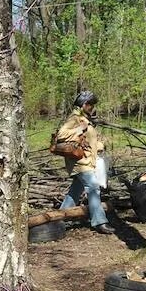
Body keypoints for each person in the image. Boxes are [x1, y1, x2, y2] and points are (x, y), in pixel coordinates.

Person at [55, 90, 113, 234]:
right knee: (93, 187)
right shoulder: (75, 118)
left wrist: (99, 145)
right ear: (84, 104)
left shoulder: (85, 119)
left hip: (87, 161)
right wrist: (79, 129)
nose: (92, 107)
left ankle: (58, 219)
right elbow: (61, 134)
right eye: (90, 105)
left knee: (75, 192)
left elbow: (88, 140)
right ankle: (99, 222)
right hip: (80, 162)